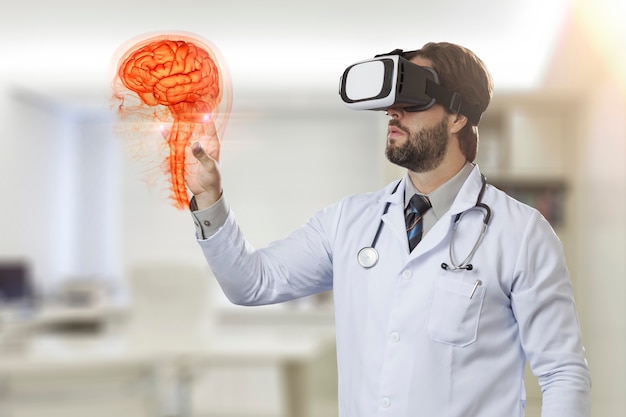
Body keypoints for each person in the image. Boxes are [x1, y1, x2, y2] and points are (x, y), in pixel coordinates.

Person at [185, 42, 591, 417]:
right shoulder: (349, 220)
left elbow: (563, 374)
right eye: (391, 100)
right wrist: (209, 201)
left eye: (412, 98)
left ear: (457, 115)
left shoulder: (521, 233)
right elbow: (251, 283)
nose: (393, 111)